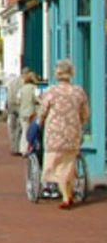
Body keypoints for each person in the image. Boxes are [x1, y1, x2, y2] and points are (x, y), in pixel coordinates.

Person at [38, 59, 90, 210]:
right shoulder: (79, 91)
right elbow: (86, 114)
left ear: (57, 73)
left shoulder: (51, 91)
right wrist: (78, 121)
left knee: (56, 166)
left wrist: (40, 123)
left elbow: (42, 112)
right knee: (68, 164)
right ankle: (68, 193)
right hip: (72, 134)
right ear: (71, 73)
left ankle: (66, 196)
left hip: (54, 134)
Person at [18, 71, 38, 156]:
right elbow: (37, 98)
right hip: (31, 112)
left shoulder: (21, 89)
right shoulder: (34, 88)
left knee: (24, 130)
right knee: (30, 131)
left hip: (22, 112)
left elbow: (18, 100)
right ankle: (29, 148)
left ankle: (23, 149)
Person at [7, 70, 26, 155]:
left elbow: (8, 93)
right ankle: (18, 148)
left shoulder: (12, 82)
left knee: (12, 127)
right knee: (19, 128)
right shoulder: (23, 83)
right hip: (19, 107)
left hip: (11, 106)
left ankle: (13, 147)